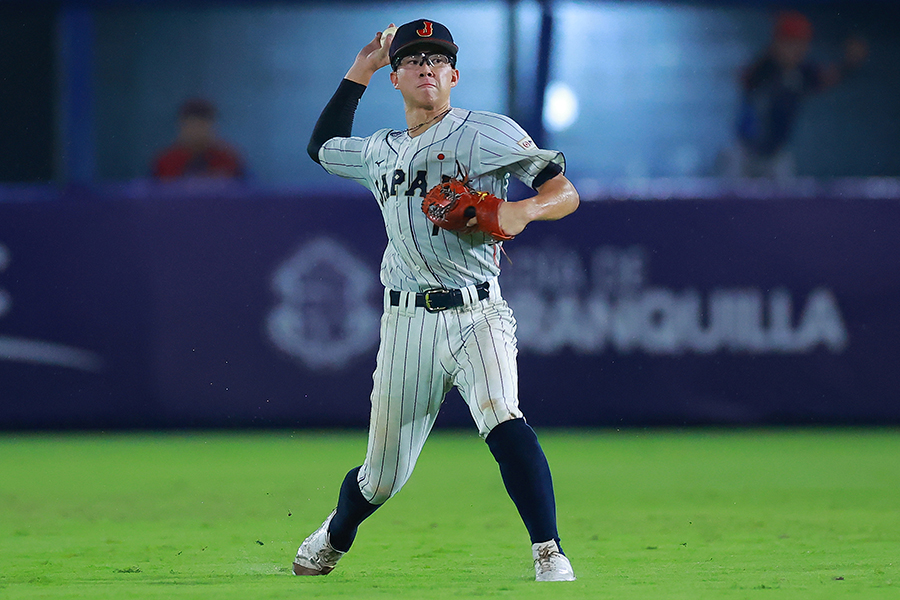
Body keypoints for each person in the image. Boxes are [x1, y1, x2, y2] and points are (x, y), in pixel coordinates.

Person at [292, 19, 580, 582]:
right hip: (406, 324)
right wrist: (361, 69)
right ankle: (335, 533)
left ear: (453, 74)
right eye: (412, 58)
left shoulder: (486, 132)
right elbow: (321, 147)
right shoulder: (381, 150)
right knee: (381, 478)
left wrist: (523, 210)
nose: (426, 64)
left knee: (502, 412)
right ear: (396, 77)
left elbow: (563, 191)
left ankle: (548, 550)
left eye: (437, 58)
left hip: (479, 311)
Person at [719, 10, 868, 179]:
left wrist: (849, 64)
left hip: (776, 154)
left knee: (787, 197)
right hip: (744, 152)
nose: (796, 49)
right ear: (777, 43)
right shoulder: (765, 68)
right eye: (790, 42)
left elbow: (828, 78)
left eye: (801, 44)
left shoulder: (803, 72)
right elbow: (743, 78)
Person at [151, 98, 245, 180]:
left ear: (213, 127)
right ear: (181, 127)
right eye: (191, 126)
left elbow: (248, 190)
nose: (196, 133)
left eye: (202, 126)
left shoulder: (229, 158)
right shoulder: (166, 161)